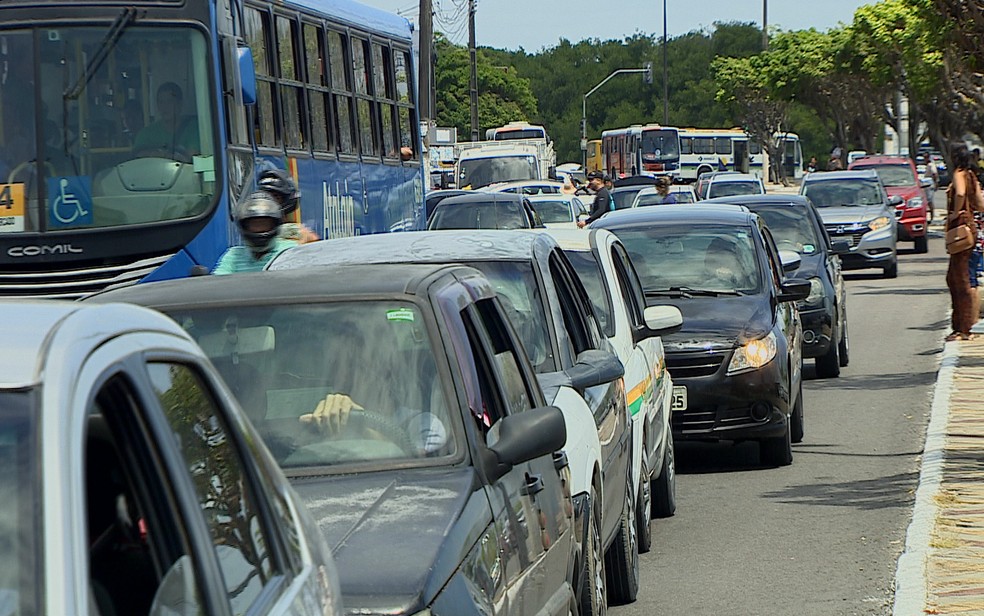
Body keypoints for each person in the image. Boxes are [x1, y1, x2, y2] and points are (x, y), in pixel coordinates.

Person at [945, 145, 983, 341]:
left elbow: (959, 194)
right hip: (971, 229)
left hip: (960, 230)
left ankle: (963, 328)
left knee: (959, 280)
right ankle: (963, 325)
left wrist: (956, 212)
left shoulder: (959, 174)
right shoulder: (971, 175)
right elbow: (980, 203)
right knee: (959, 277)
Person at [212, 192, 296, 274]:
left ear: (276, 225)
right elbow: (218, 282)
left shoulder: (290, 251)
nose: (259, 229)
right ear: (244, 226)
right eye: (255, 225)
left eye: (264, 224)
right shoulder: (233, 256)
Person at [132, 82, 199, 160]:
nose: (165, 106)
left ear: (180, 103)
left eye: (170, 101)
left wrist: (160, 155)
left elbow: (192, 156)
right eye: (161, 102)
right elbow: (138, 158)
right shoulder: (146, 134)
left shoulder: (193, 128)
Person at [257, 168, 319, 243]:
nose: (269, 201)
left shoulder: (302, 234)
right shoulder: (252, 229)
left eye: (276, 197)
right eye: (265, 196)